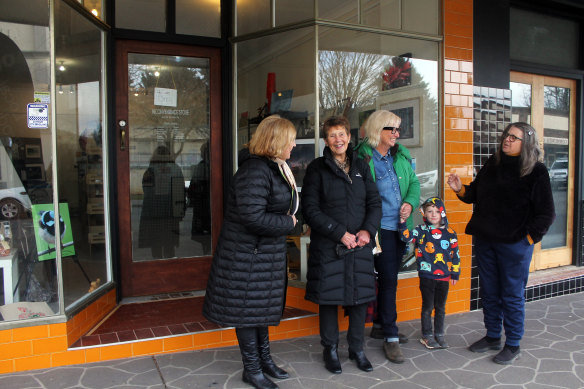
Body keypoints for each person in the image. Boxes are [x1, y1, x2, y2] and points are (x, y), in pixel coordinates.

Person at [202, 115, 298, 389]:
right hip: (248, 255)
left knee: (260, 310)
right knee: (248, 312)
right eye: (289, 140)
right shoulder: (255, 170)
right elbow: (252, 217)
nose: (293, 145)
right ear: (276, 141)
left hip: (261, 254)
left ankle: (264, 361)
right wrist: (288, 222)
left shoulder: (273, 167)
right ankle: (252, 369)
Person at [448, 122, 555, 365]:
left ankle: (513, 343)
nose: (507, 139)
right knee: (489, 291)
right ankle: (493, 336)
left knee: (511, 294)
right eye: (507, 135)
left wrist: (526, 239)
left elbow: (546, 214)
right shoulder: (492, 163)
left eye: (514, 137)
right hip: (486, 240)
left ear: (525, 143)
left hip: (514, 244)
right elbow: (474, 193)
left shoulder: (536, 171)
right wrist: (460, 189)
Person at [302, 116, 381, 374]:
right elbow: (310, 210)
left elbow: (374, 203)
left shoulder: (361, 165)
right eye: (333, 135)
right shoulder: (316, 169)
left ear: (349, 137)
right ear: (326, 140)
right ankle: (331, 349)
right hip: (330, 247)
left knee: (359, 299)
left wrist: (367, 231)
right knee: (329, 299)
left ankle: (357, 349)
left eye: (342, 134)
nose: (339, 139)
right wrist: (340, 234)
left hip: (360, 245)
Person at [354, 110, 420, 364]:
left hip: (398, 229)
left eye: (397, 129)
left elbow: (413, 183)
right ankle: (390, 336)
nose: (396, 134)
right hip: (376, 232)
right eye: (391, 129)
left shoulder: (399, 155)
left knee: (388, 279)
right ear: (377, 130)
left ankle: (382, 325)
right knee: (386, 280)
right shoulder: (363, 157)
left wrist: (410, 204)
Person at [398, 197, 460, 349]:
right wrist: (402, 222)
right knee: (428, 306)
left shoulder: (450, 233)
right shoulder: (421, 231)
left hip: (444, 277)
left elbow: (455, 254)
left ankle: (439, 333)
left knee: (440, 307)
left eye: (436, 212)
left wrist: (455, 273)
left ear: (442, 213)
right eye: (429, 211)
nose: (433, 215)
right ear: (424, 214)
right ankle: (427, 335)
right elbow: (405, 237)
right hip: (427, 276)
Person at [138, 145, 185, 259]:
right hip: (170, 213)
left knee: (156, 244)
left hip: (154, 214)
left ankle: (158, 267)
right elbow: (180, 192)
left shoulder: (150, 170)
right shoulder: (176, 169)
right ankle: (169, 268)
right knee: (169, 243)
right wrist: (180, 211)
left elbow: (147, 191)